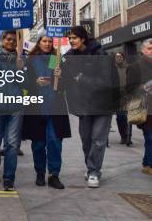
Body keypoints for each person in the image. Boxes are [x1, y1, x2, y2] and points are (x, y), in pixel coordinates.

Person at [56, 26, 119, 188]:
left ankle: (93, 171)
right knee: (86, 140)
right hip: (83, 105)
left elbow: (106, 82)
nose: (71, 41)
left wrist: (81, 78)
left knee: (98, 140)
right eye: (69, 38)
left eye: (74, 38)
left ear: (83, 38)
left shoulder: (100, 54)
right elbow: (57, 67)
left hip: (103, 104)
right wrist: (54, 72)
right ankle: (91, 167)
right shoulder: (68, 56)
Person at [21, 31, 71, 189]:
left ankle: (54, 175)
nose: (48, 44)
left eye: (50, 41)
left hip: (55, 107)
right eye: (44, 41)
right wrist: (35, 82)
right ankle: (40, 173)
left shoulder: (57, 59)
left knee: (55, 142)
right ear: (39, 42)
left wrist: (61, 76)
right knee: (38, 144)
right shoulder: (30, 61)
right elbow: (24, 82)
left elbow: (66, 83)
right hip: (37, 107)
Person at [0, 30, 25, 191]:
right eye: (8, 39)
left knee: (12, 145)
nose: (11, 42)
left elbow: (27, 84)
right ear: (2, 40)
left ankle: (9, 178)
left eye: (14, 40)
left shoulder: (21, 59)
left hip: (16, 108)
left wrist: (22, 70)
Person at [125, 38, 152, 175]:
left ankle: (147, 163)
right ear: (142, 50)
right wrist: (142, 87)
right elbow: (129, 88)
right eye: (149, 49)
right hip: (144, 107)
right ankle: (149, 165)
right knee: (150, 136)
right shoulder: (135, 67)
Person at [114, 52, 132, 146]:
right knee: (120, 117)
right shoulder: (112, 69)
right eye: (117, 57)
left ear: (123, 58)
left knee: (129, 117)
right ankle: (123, 136)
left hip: (128, 96)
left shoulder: (129, 68)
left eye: (121, 56)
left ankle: (128, 137)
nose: (119, 58)